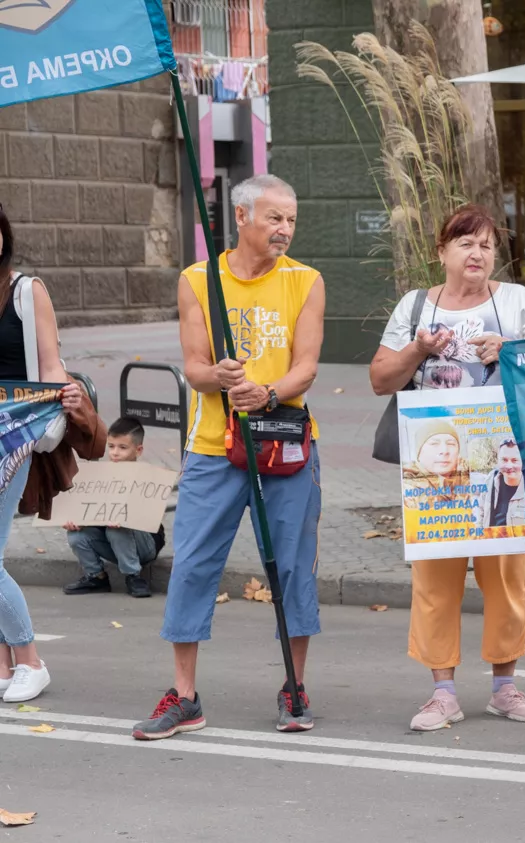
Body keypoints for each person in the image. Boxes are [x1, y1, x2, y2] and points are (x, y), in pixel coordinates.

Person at [133, 174, 326, 740]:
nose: (285, 229)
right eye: (274, 218)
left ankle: (295, 686)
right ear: (241, 218)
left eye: (291, 218)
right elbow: (194, 367)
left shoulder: (306, 281)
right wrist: (217, 378)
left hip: (284, 440)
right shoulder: (198, 280)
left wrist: (267, 392)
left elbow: (307, 365)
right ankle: (184, 697)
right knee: (192, 563)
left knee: (291, 566)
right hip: (214, 448)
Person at [370, 204, 525, 733]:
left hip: (503, 457)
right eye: (466, 243)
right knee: (436, 577)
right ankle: (442, 693)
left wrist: (512, 349)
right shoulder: (414, 307)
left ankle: (504, 687)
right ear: (442, 252)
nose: (478, 254)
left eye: (487, 245)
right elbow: (381, 379)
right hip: (436, 461)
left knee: (506, 578)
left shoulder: (516, 301)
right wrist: (418, 349)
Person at [0, 205, 90, 704]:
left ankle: (30, 660)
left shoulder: (25, 292)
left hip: (13, 434)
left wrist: (72, 395)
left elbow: (51, 363)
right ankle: (5, 665)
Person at [62, 417, 162, 598]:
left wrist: (127, 519)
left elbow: (151, 521)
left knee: (116, 530)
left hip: (144, 545)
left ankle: (134, 576)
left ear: (138, 450)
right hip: (112, 541)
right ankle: (96, 577)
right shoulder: (99, 477)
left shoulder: (148, 478)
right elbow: (93, 512)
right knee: (76, 535)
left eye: (122, 448)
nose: (115, 453)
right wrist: (77, 520)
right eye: (111, 446)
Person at [486, 440, 524, 529]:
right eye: (504, 460)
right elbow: (480, 511)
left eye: (514, 460)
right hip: (492, 539)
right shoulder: (490, 479)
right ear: (498, 460)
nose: (509, 466)